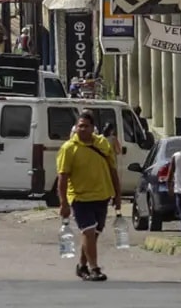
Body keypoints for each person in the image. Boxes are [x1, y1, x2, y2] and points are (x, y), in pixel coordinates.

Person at [56, 110, 122, 283]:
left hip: (102, 196)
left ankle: (82, 265)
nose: (82, 129)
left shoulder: (103, 144)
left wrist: (117, 194)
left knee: (94, 234)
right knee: (89, 231)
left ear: (93, 128)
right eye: (80, 126)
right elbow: (62, 177)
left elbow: (113, 170)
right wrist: (63, 203)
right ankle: (94, 269)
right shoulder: (68, 148)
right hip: (80, 198)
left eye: (86, 126)